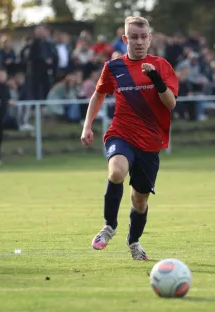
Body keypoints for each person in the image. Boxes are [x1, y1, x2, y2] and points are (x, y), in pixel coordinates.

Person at [80, 16, 178, 260]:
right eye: (133, 37)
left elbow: (171, 104)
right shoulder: (114, 67)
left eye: (143, 37)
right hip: (121, 133)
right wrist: (87, 126)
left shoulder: (161, 65)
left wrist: (155, 78)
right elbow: (98, 95)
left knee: (140, 200)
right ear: (125, 39)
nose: (139, 42)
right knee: (116, 173)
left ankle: (134, 242)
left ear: (150, 39)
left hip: (150, 143)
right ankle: (108, 227)